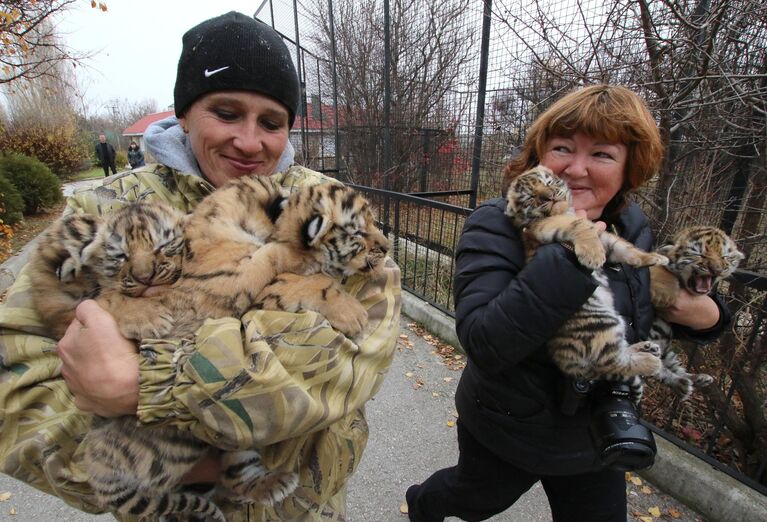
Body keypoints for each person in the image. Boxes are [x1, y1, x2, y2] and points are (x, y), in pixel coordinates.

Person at [0, 11, 400, 522]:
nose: (250, 142)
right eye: (227, 113)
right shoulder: (104, 210)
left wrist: (143, 386)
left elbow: (348, 365)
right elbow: (17, 391)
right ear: (184, 113)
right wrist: (153, 466)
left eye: (271, 122)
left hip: (302, 510)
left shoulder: (329, 206)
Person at [405, 85, 730, 522]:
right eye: (562, 148)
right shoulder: (497, 222)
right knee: (473, 499)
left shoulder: (631, 224)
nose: (576, 169)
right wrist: (573, 252)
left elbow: (639, 304)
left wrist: (708, 318)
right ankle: (423, 504)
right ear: (540, 153)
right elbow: (483, 340)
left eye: (602, 154)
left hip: (595, 430)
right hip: (511, 424)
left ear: (628, 167)